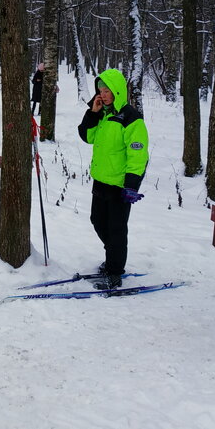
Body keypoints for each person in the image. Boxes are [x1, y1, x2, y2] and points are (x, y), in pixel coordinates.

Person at [77, 68, 148, 288]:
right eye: (100, 90)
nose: (103, 94)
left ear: (117, 91)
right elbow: (86, 137)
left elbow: (138, 154)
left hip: (119, 185)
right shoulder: (104, 115)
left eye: (107, 90)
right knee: (97, 221)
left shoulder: (131, 119)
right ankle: (114, 257)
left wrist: (131, 186)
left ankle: (115, 271)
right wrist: (93, 112)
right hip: (101, 180)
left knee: (116, 229)